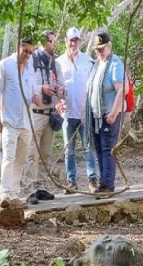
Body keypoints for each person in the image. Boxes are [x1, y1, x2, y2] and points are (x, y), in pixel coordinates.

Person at [0, 38, 40, 209]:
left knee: (20, 159)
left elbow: (35, 95)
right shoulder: (5, 65)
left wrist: (36, 98)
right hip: (9, 120)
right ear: (18, 47)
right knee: (8, 157)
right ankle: (5, 194)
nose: (27, 55)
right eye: (25, 51)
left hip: (26, 121)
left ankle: (14, 193)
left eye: (30, 52)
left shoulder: (30, 70)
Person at [23, 30, 65, 204]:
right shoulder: (32, 60)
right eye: (51, 41)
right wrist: (41, 89)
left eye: (55, 41)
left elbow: (62, 85)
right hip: (35, 113)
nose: (54, 44)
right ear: (43, 42)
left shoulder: (56, 64)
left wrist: (62, 93)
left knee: (45, 154)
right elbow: (27, 83)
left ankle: (41, 187)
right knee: (31, 153)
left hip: (51, 113)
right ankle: (28, 188)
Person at [56, 27, 98, 194]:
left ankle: (92, 179)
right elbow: (55, 86)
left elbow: (93, 88)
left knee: (88, 147)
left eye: (76, 40)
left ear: (80, 42)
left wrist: (88, 110)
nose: (74, 43)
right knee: (69, 150)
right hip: (67, 114)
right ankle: (71, 181)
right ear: (66, 41)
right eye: (71, 40)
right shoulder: (58, 63)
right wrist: (58, 100)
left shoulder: (89, 61)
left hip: (85, 113)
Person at [85, 32, 126, 193]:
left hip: (109, 113)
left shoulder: (115, 64)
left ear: (109, 46)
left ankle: (108, 184)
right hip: (96, 115)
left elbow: (121, 90)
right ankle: (103, 181)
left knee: (108, 148)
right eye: (97, 50)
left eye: (102, 49)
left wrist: (114, 113)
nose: (99, 52)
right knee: (99, 148)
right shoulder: (96, 65)